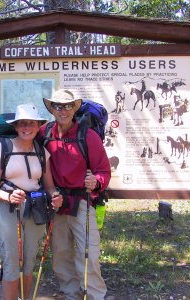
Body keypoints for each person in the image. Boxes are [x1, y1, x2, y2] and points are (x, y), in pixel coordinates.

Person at [38, 89, 111, 300]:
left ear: (74, 108)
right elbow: (21, 137)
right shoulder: (44, 133)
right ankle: (71, 294)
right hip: (56, 202)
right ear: (52, 108)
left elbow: (103, 171)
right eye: (58, 106)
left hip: (82, 201)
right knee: (60, 253)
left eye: (68, 106)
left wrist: (96, 182)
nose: (63, 110)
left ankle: (95, 295)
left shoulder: (88, 136)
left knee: (89, 253)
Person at [0, 104, 63, 300]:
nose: (26, 127)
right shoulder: (2, 148)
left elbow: (49, 186)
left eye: (31, 123)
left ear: (38, 126)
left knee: (29, 262)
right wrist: (9, 196)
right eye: (22, 124)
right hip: (6, 209)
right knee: (12, 262)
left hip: (35, 209)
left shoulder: (41, 152)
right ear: (16, 126)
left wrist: (55, 196)